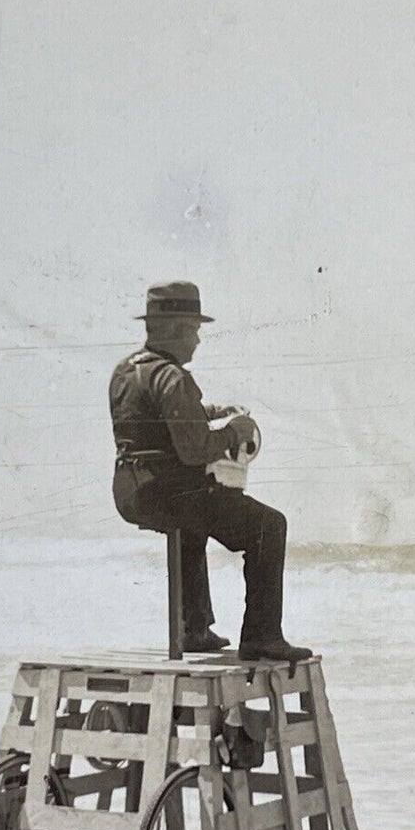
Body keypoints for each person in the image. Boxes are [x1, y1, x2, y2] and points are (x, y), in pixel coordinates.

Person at [109, 281, 312, 663]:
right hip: (170, 492)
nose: (198, 341)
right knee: (269, 525)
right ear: (176, 329)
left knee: (191, 523)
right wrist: (233, 432)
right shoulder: (173, 377)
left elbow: (154, 420)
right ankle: (262, 636)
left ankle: (194, 627)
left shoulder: (125, 371)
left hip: (132, 491)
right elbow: (194, 448)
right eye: (194, 330)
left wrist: (212, 412)